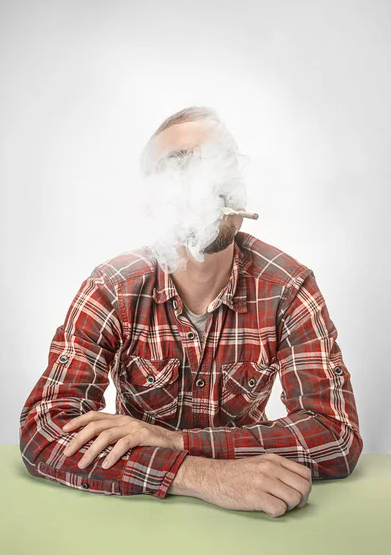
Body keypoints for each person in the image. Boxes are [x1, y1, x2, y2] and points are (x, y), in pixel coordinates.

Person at [19, 106, 363, 518]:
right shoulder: (112, 287)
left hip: (251, 520)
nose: (208, 180)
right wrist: (196, 474)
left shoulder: (288, 287)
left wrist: (175, 441)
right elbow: (43, 429)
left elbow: (335, 435)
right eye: (181, 166)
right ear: (152, 200)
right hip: (135, 516)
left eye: (221, 162)